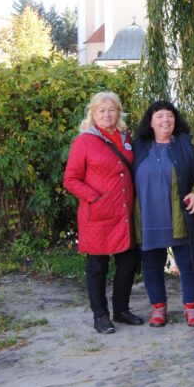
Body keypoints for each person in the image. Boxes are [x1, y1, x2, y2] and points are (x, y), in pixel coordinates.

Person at [63, 91, 143, 334]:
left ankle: (121, 310)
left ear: (118, 112)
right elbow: (71, 179)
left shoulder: (126, 137)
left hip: (124, 214)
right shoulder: (84, 141)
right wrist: (95, 198)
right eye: (102, 111)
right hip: (97, 216)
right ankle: (101, 316)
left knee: (128, 263)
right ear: (93, 114)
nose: (107, 114)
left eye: (111, 110)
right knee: (97, 268)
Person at [132, 100, 194, 328]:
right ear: (151, 122)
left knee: (189, 264)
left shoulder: (186, 143)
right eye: (160, 117)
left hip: (180, 216)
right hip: (148, 218)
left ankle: (191, 308)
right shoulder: (138, 146)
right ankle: (158, 309)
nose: (166, 120)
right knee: (152, 266)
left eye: (170, 116)